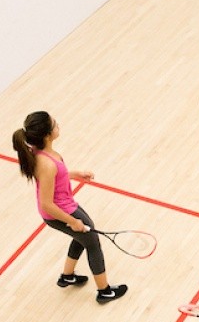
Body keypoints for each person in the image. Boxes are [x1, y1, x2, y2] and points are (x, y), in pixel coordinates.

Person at [11, 111, 127, 304]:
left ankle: (67, 276)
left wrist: (75, 174)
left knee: (83, 238)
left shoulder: (44, 153)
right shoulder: (46, 163)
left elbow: (57, 176)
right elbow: (46, 203)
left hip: (66, 204)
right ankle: (104, 291)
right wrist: (72, 221)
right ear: (47, 134)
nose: (59, 125)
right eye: (55, 124)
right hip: (59, 212)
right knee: (92, 243)